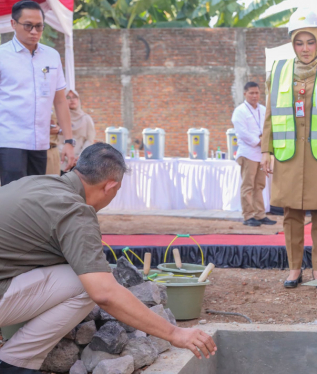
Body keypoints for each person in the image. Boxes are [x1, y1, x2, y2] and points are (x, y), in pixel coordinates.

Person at [0, 144, 216, 374]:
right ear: (111, 185)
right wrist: (175, 333)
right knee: (84, 284)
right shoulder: (75, 211)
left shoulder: (35, 183)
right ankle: (14, 364)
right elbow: (104, 293)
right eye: (117, 190)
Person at [260, 8, 317, 289]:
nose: (305, 48)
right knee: (290, 213)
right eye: (299, 42)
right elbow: (270, 113)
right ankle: (295, 268)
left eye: (310, 41)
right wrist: (265, 150)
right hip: (287, 154)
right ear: (292, 43)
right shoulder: (280, 69)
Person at [0, 0, 76, 186]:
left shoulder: (52, 56)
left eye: (39, 26)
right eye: (28, 26)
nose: (34, 32)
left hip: (40, 143)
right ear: (13, 24)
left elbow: (60, 102)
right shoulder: (2, 56)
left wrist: (68, 141)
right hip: (10, 142)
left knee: (35, 197)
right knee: (14, 198)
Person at [232, 81, 275, 227]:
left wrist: (265, 142)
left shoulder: (263, 109)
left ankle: (260, 214)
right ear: (245, 94)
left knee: (260, 185)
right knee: (248, 186)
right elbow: (242, 133)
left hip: (261, 154)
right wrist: (260, 141)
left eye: (257, 93)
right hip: (248, 152)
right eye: (251, 93)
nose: (255, 96)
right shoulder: (240, 111)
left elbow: (269, 126)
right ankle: (248, 215)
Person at [57, 89, 96, 172]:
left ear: (78, 100)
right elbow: (55, 140)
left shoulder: (86, 119)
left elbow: (89, 140)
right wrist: (68, 156)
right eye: (68, 97)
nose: (72, 100)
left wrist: (80, 157)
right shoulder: (59, 119)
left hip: (80, 164)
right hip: (61, 162)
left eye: (74, 97)